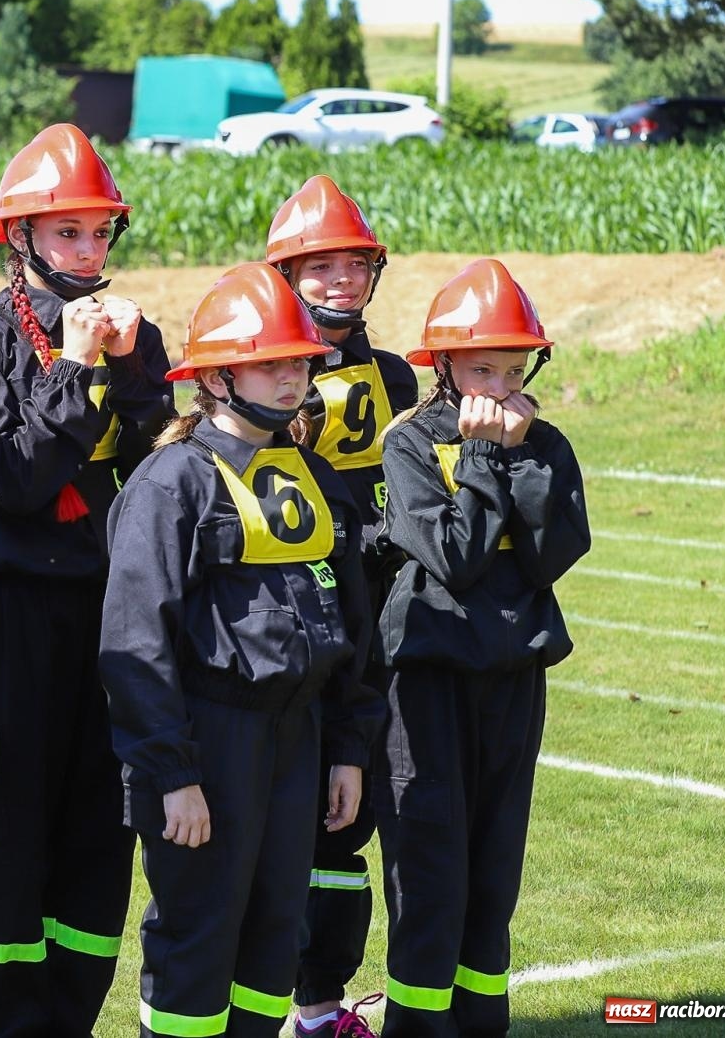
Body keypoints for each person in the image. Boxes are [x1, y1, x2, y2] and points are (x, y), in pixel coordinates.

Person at [100, 263, 382, 1038]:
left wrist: (348, 749)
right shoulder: (171, 482)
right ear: (216, 378)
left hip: (298, 740)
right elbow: (135, 640)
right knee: (198, 937)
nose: (292, 378)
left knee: (274, 938)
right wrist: (174, 775)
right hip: (209, 740)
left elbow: (352, 629)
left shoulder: (315, 477)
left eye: (299, 362)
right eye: (269, 363)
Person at [0, 122, 175, 1037]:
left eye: (99, 233)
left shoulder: (137, 337)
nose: (87, 251)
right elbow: (18, 476)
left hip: (108, 617)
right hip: (5, 621)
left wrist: (133, 369)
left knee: (97, 844)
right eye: (67, 231)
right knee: (2, 849)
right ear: (20, 236)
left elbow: (164, 467)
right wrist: (74, 365)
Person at [375, 258, 589, 1037]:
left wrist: (517, 457)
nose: (498, 388)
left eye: (513, 370)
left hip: (514, 673)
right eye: (481, 369)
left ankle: (480, 1023)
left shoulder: (546, 444)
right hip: (429, 678)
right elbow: (455, 556)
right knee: (431, 870)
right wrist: (485, 458)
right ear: (442, 366)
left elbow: (550, 554)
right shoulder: (409, 444)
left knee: (495, 872)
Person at [266, 175, 419, 1037]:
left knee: (361, 816)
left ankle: (323, 1008)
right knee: (299, 813)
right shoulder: (264, 374)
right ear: (285, 276)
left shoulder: (394, 375)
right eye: (320, 265)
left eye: (355, 264)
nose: (341, 280)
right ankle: (295, 1002)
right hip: (304, 620)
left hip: (382, 620)